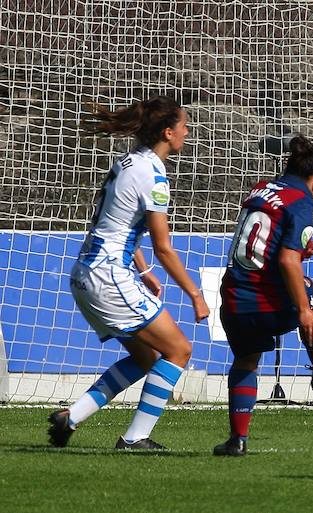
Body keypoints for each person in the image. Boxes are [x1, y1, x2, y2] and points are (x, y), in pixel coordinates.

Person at [48, 96, 211, 450]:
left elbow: (116, 222)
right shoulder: (154, 175)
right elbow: (163, 246)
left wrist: (143, 270)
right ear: (168, 132)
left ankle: (70, 417)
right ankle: (136, 437)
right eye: (183, 126)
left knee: (145, 357)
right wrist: (195, 294)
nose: (187, 132)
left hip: (87, 272)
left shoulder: (127, 161)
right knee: (179, 350)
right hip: (108, 276)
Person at [213, 134, 313, 457]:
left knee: (246, 361)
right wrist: (304, 310)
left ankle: (237, 440)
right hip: (265, 301)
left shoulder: (261, 189)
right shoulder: (304, 203)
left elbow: (262, 246)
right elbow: (285, 260)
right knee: (310, 292)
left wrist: (301, 252)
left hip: (233, 299)